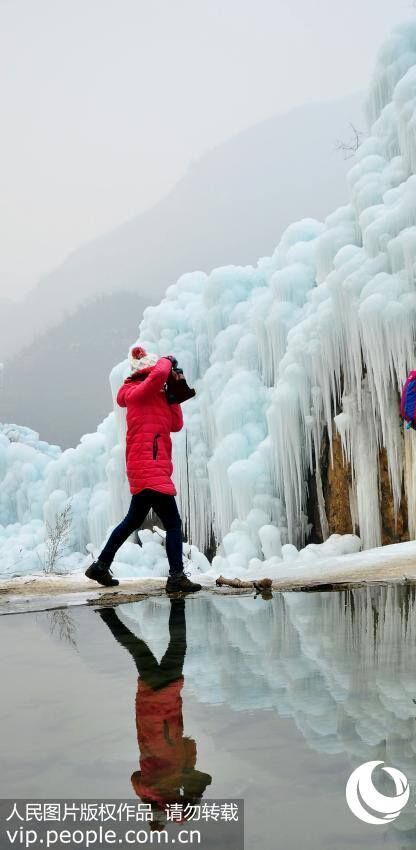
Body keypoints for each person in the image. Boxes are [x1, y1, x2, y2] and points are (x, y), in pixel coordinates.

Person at [85, 346, 201, 593]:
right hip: (149, 465)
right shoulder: (135, 392)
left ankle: (100, 566)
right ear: (147, 371)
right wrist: (167, 361)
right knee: (173, 523)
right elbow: (158, 374)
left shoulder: (157, 393)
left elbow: (176, 424)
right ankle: (176, 576)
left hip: (152, 467)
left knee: (131, 522)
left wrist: (173, 396)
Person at [98, 600, 212, 830]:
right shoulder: (146, 787)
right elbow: (134, 776)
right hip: (148, 702)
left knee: (177, 644)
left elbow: (201, 783)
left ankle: (178, 603)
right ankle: (106, 613)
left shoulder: (169, 784)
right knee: (138, 648)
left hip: (165, 697)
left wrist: (186, 794)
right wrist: (151, 802)